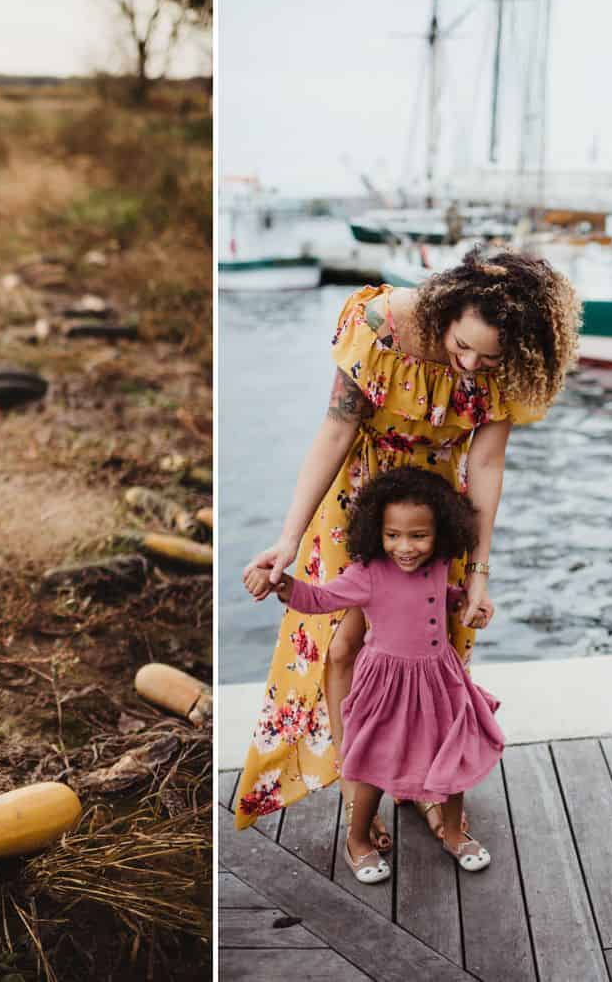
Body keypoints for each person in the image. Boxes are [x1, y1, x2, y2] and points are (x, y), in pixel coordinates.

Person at [234, 247, 580, 854]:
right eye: (462, 345)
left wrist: (478, 571)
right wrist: (288, 538)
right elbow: (336, 429)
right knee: (343, 643)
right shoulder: (380, 329)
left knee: (433, 650)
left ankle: (425, 781)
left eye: (488, 357)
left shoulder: (507, 367)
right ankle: (358, 782)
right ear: (446, 309)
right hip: (364, 507)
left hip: (437, 516)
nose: (471, 364)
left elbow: (487, 462)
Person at [248, 467, 504, 882]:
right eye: (393, 535)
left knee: (451, 755)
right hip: (385, 686)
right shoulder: (368, 574)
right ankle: (358, 839)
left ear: (441, 532)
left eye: (418, 536)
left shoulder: (438, 564)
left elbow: (438, 597)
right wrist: (282, 585)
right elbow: (321, 598)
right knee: (371, 766)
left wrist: (462, 603)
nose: (406, 547)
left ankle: (455, 832)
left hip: (439, 680)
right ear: (376, 531)